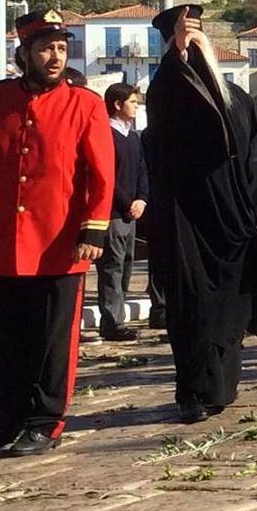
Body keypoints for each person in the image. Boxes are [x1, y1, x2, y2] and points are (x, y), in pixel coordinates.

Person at [0, 11, 114, 455]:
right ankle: (12, 413)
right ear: (24, 54)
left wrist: (93, 229)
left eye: (61, 48)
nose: (55, 57)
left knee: (51, 341)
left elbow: (102, 173)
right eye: (45, 48)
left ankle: (45, 420)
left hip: (60, 244)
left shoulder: (85, 105)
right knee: (1, 339)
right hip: (1, 242)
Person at [144, 3, 257, 419]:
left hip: (234, 220)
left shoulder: (237, 98)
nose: (191, 46)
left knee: (232, 307)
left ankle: (222, 387)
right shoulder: (166, 90)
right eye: (182, 39)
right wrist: (177, 57)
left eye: (197, 38)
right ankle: (193, 392)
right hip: (187, 219)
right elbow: (176, 118)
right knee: (192, 307)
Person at [94, 82, 147, 341]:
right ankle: (112, 322)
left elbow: (141, 171)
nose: (136, 106)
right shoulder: (105, 135)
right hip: (113, 213)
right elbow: (107, 177)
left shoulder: (133, 137)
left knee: (126, 265)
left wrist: (142, 199)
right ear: (117, 104)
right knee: (112, 267)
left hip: (132, 213)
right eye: (132, 102)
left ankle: (118, 315)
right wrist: (127, 203)